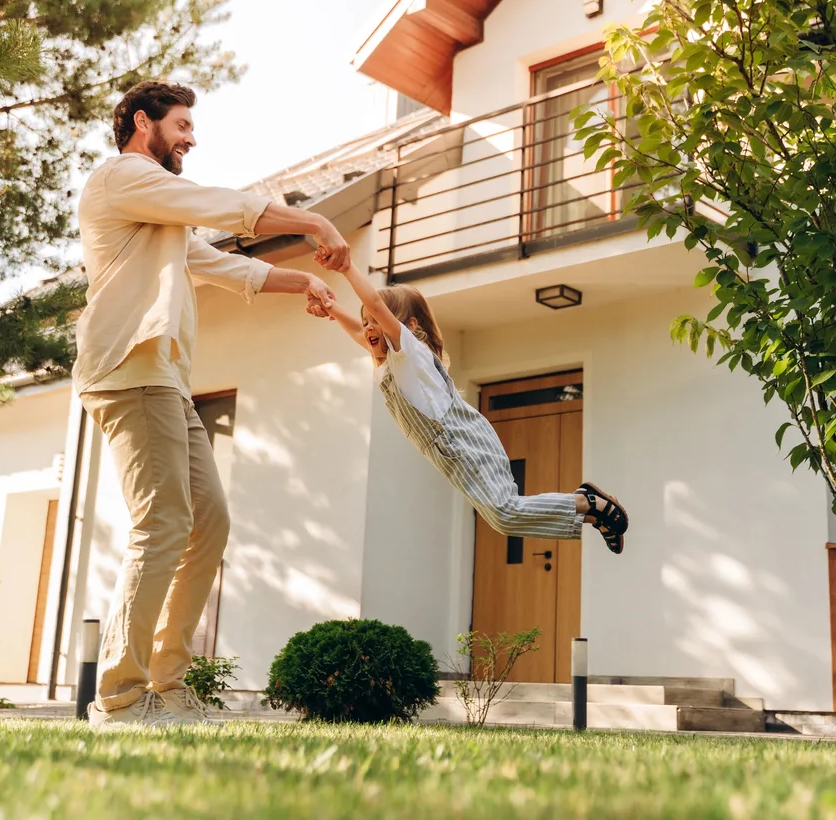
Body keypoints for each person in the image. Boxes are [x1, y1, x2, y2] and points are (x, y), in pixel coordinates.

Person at [75, 80, 342, 728]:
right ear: (143, 122)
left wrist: (299, 279)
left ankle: (168, 686)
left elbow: (219, 262)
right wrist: (309, 218)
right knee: (163, 522)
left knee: (208, 522)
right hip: (127, 371)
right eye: (182, 124)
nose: (192, 137)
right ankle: (119, 695)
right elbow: (216, 206)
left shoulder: (158, 214)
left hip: (163, 377)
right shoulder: (121, 178)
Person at [315, 262, 630, 554]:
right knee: (502, 519)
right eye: (366, 322)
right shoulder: (389, 368)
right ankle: (594, 514)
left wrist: (346, 269)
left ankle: (589, 503)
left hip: (465, 442)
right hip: (451, 456)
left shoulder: (410, 354)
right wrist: (332, 308)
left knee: (505, 513)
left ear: (408, 326)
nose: (368, 327)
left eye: (375, 321)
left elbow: (377, 306)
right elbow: (359, 331)